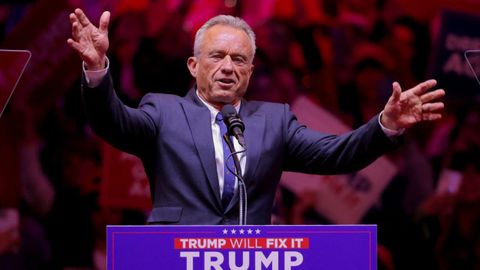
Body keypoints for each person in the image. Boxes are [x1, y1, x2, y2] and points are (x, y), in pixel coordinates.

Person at [67, 8, 445, 225]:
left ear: (250, 71)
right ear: (193, 65)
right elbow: (112, 122)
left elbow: (338, 153)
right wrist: (98, 69)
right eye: (217, 57)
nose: (228, 67)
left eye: (240, 60)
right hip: (174, 259)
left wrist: (387, 124)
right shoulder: (163, 111)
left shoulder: (274, 120)